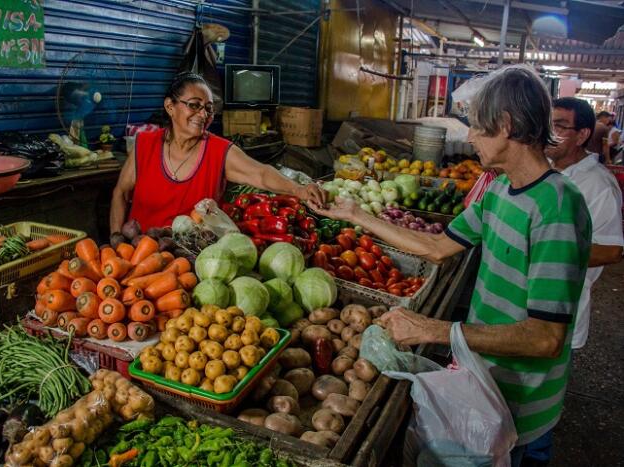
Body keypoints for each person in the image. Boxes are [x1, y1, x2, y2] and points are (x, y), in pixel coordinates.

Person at [312, 65, 592, 467]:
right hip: (481, 385)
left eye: (478, 127)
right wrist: (356, 215)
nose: (472, 137)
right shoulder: (499, 192)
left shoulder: (559, 206)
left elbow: (545, 337)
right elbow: (438, 247)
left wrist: (435, 330)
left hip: (521, 407)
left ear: (507, 125)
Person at [517, 98, 624, 466]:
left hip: (562, 311)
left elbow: (611, 251)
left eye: (561, 126)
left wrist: (545, 251)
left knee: (539, 406)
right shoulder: (544, 170)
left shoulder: (597, 185)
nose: (551, 133)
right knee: (517, 398)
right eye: (549, 123)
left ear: (581, 135)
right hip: (524, 307)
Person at [110, 72, 325, 232]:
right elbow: (120, 193)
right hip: (137, 255)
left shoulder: (218, 151)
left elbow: (261, 173)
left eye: (209, 108)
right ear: (170, 107)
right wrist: (116, 239)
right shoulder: (144, 145)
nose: (203, 114)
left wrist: (299, 190)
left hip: (190, 261)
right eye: (194, 105)